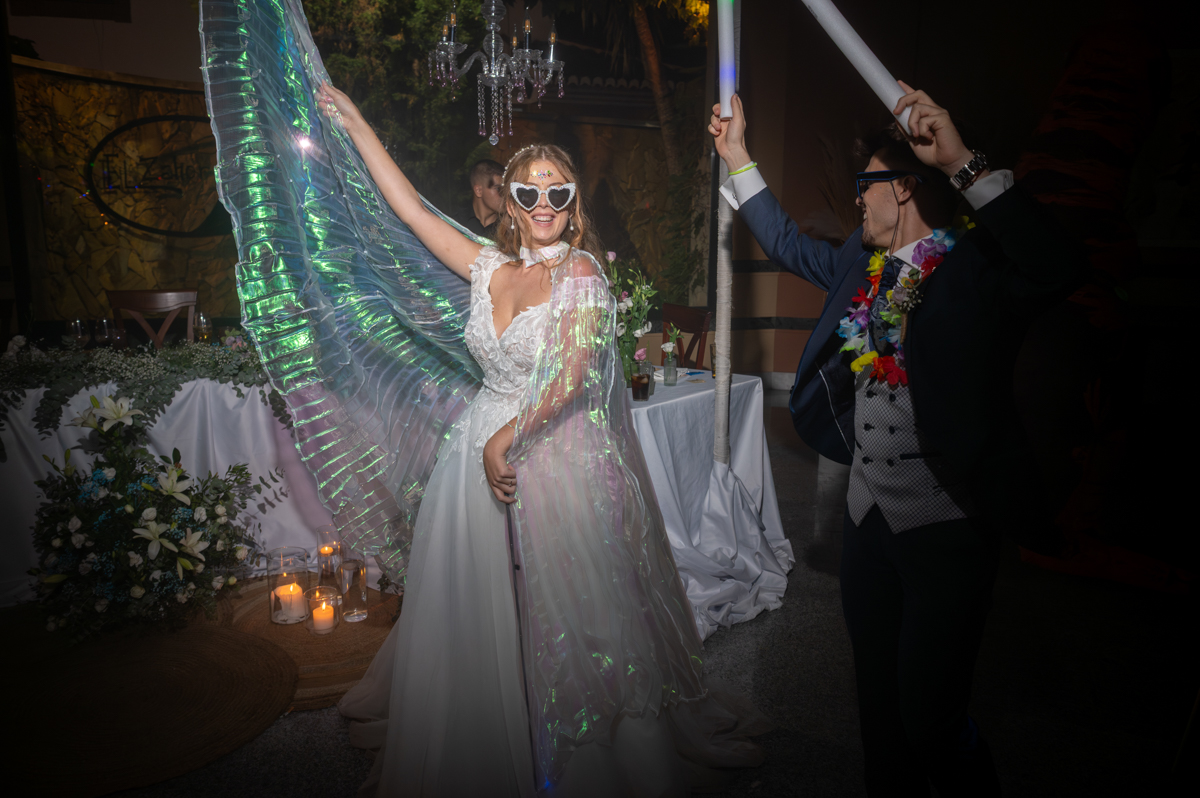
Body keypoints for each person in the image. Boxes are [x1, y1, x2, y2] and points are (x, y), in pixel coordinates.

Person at [318, 83, 767, 797]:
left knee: (568, 617)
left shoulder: (581, 273)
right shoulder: (489, 269)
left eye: (558, 193)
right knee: (481, 610)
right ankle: (484, 740)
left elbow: (573, 377)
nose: (544, 205)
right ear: (509, 203)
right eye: (529, 193)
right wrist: (359, 126)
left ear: (573, 201)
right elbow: (410, 211)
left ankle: (573, 750)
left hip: (555, 457)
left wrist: (506, 438)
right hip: (475, 459)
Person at [709, 89, 1084, 796]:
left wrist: (965, 164)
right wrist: (738, 158)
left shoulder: (977, 268)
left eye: (867, 184)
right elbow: (787, 244)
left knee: (931, 718)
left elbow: (1057, 266)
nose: (857, 199)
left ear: (904, 188)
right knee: (878, 709)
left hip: (946, 526)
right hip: (865, 521)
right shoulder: (865, 264)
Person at [459, 158, 505, 239]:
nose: (505, 195)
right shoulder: (456, 225)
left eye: (507, 189)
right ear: (479, 191)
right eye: (498, 189)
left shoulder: (510, 230)